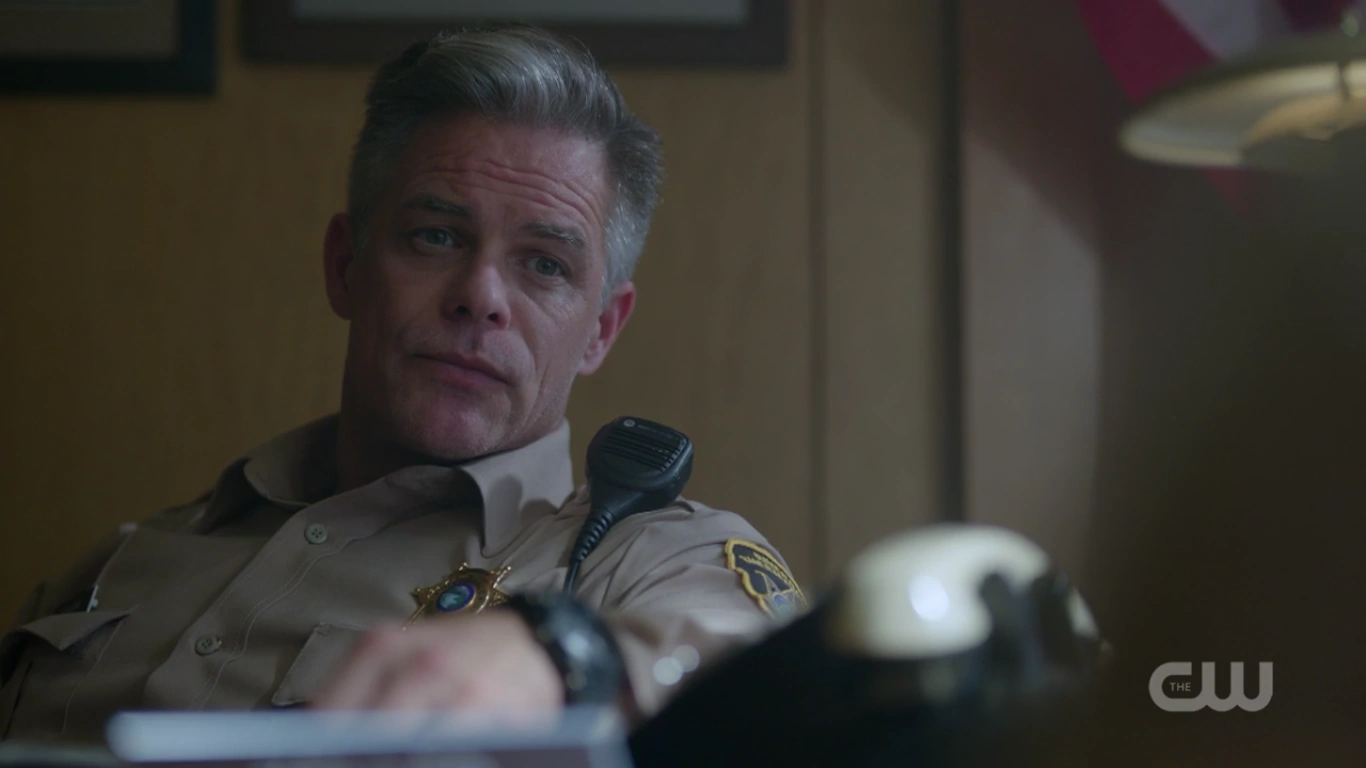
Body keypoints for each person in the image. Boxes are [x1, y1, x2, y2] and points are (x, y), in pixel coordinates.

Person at [0, 24, 804, 745]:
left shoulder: (640, 563)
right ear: (345, 266)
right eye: (437, 236)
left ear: (601, 328)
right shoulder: (127, 558)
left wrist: (562, 651)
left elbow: (776, 683)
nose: (480, 297)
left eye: (544, 264)